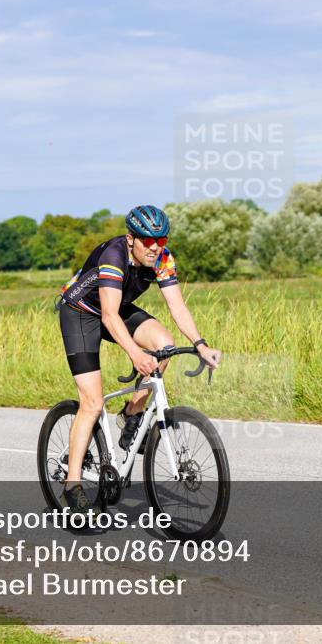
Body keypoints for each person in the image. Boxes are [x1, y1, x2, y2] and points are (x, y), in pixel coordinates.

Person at [57, 205, 222, 515]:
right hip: (81, 314)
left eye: (161, 240)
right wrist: (135, 354)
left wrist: (200, 345)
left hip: (116, 307)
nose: (155, 247)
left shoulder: (163, 258)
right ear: (131, 238)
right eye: (147, 240)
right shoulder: (114, 256)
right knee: (92, 403)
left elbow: (177, 307)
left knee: (165, 345)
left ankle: (132, 416)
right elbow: (108, 316)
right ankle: (72, 484)